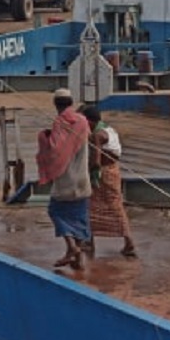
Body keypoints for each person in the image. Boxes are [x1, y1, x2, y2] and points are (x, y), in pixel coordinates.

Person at [36, 88, 92, 270]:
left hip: (66, 179)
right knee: (79, 217)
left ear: (55, 104)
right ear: (71, 102)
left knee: (56, 211)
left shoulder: (60, 123)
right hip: (82, 177)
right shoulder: (82, 121)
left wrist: (44, 138)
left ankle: (72, 247)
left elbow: (55, 151)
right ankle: (77, 258)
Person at [80, 106, 136, 258]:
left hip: (103, 174)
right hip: (113, 171)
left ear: (89, 121)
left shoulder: (97, 135)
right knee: (115, 206)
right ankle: (127, 242)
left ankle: (90, 242)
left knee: (91, 207)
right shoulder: (109, 129)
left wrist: (89, 173)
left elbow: (96, 161)